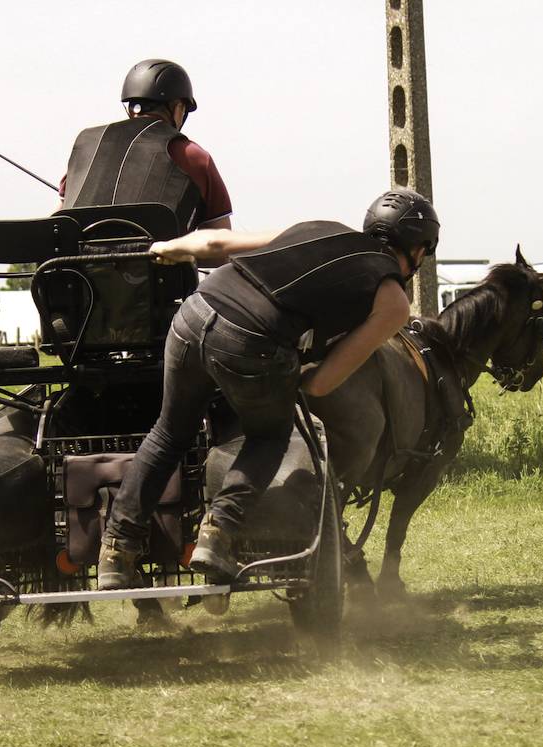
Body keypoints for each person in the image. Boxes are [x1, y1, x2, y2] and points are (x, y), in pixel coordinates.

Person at [97, 189, 440, 589]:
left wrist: (167, 247)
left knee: (168, 433)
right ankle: (217, 534)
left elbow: (214, 243)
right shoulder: (394, 301)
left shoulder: (319, 228)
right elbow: (324, 383)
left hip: (192, 315)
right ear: (419, 251)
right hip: (250, 342)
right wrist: (292, 376)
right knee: (269, 436)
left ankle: (116, 550)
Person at [59, 59, 233, 239]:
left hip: (76, 266)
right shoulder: (193, 156)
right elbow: (219, 245)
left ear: (131, 108)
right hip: (159, 266)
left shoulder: (87, 145)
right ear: (177, 108)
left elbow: (57, 223)